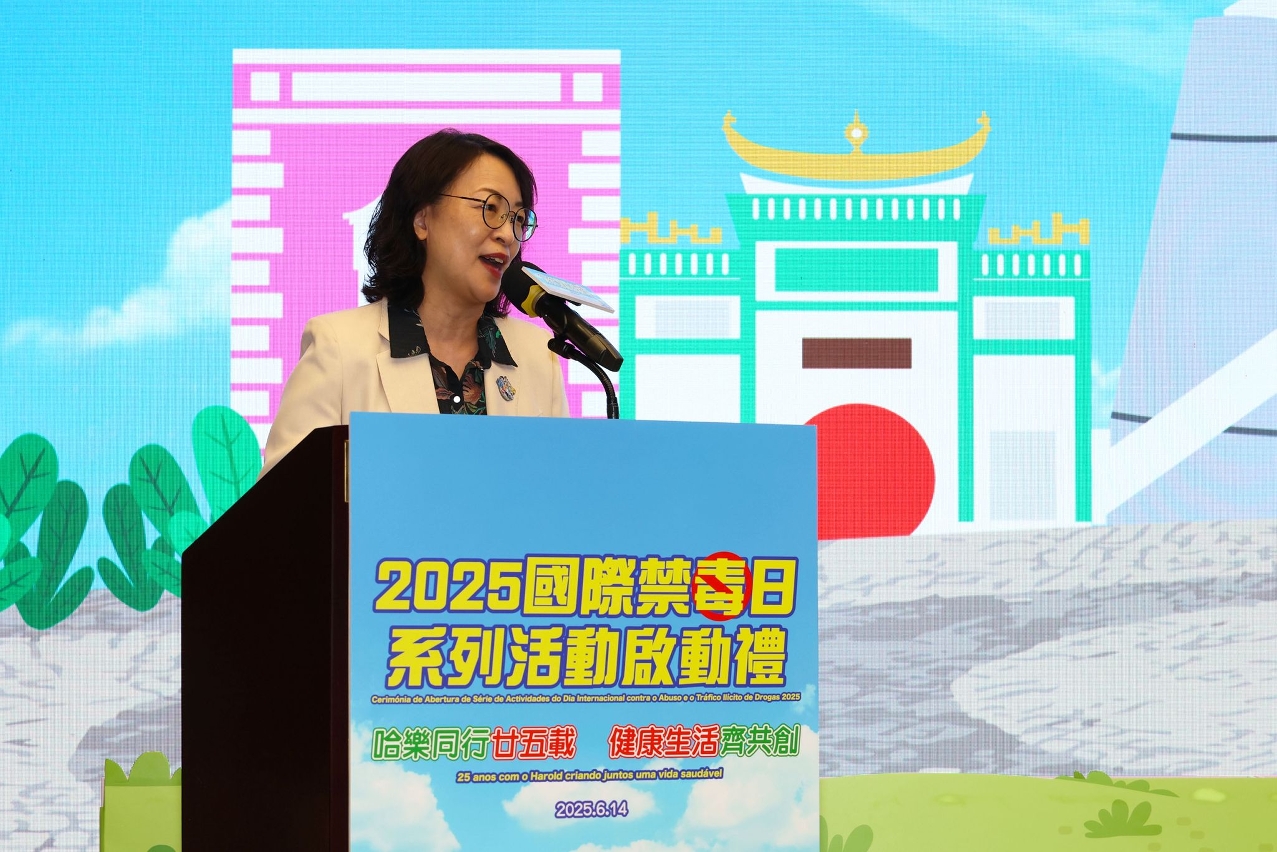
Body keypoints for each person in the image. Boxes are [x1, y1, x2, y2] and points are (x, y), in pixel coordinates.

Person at [261, 130, 568, 474]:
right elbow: (284, 500)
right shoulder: (339, 349)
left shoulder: (538, 356)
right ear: (422, 220)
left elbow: (558, 491)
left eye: (518, 219)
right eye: (490, 208)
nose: (507, 235)